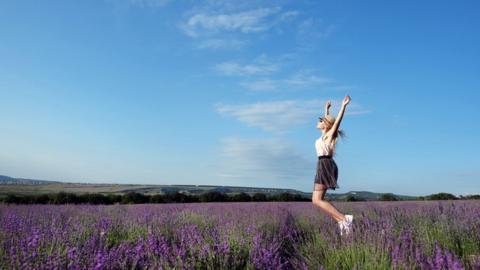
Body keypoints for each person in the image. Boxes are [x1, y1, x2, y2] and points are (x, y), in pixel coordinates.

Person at [312, 95, 353, 236]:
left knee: (316, 200)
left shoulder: (329, 135)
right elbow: (328, 122)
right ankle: (342, 221)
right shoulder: (324, 135)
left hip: (326, 164)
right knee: (317, 200)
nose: (318, 122)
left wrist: (343, 106)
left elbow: (336, 123)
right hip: (322, 164)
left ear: (326, 125)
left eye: (321, 120)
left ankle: (343, 219)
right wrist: (326, 110)